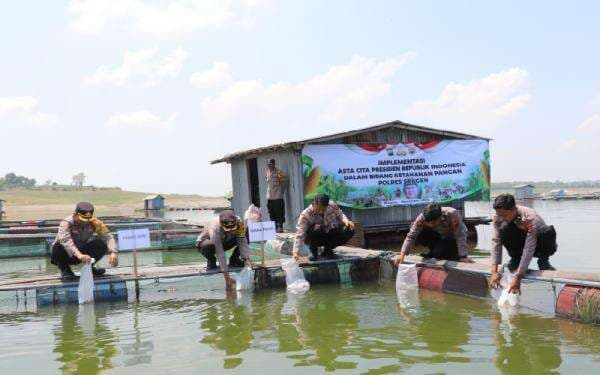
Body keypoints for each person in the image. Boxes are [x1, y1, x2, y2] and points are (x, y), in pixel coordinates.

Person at [489, 194, 557, 294]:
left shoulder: (530, 218)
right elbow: (496, 242)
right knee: (503, 229)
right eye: (499, 214)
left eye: (504, 215)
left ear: (513, 209)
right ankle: (515, 260)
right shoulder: (498, 218)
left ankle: (543, 261)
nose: (501, 217)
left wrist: (518, 276)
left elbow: (529, 248)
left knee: (546, 232)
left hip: (540, 245)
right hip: (521, 243)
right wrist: (494, 272)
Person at [51, 202, 119, 281]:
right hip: (65, 255)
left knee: (102, 243)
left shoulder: (95, 222)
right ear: (75, 214)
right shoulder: (66, 223)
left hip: (81, 252)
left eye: (88, 219)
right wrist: (79, 255)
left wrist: (113, 252)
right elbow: (66, 241)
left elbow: (108, 237)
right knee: (59, 245)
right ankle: (65, 270)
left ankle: (90, 267)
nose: (85, 221)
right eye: (82, 219)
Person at [394, 203, 473, 265]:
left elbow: (460, 236)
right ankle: (434, 252)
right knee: (414, 227)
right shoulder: (422, 218)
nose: (431, 225)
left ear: (440, 217)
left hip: (452, 240)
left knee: (440, 251)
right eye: (429, 223)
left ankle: (436, 253)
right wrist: (402, 255)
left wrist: (463, 256)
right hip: (439, 237)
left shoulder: (452, 214)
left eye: (434, 222)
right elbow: (411, 236)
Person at [196, 210, 252, 290]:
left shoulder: (239, 222)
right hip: (208, 245)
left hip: (225, 241)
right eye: (228, 229)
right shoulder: (214, 227)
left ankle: (234, 259)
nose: (231, 231)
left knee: (247, 234)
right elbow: (220, 253)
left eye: (233, 229)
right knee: (207, 245)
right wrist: (227, 278)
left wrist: (246, 259)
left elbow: (242, 240)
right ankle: (211, 260)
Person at [292, 194, 355, 261]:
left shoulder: (332, 205)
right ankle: (313, 251)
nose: (321, 211)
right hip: (315, 237)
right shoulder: (305, 214)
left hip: (329, 233)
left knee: (349, 229)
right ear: (314, 203)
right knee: (317, 228)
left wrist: (346, 221)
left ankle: (328, 250)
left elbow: (340, 214)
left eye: (323, 209)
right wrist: (295, 251)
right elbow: (300, 233)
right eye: (319, 209)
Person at [266, 159, 287, 233]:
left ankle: (280, 227)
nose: (269, 166)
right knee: (271, 212)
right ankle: (274, 228)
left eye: (271, 164)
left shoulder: (279, 172)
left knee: (279, 213)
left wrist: (281, 192)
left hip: (277, 196)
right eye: (268, 164)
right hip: (270, 197)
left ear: (274, 164)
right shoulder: (267, 172)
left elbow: (284, 183)